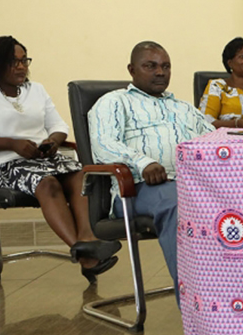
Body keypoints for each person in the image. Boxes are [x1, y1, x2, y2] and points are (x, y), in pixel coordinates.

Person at [0, 36, 120, 282]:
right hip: (2, 165)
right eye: (13, 62)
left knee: (82, 176)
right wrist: (12, 144)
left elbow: (59, 126)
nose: (21, 67)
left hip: (43, 159)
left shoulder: (36, 90)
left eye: (24, 61)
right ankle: (83, 253)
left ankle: (87, 240)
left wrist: (52, 141)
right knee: (48, 183)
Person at [88, 41, 214, 297]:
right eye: (151, 66)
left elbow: (213, 139)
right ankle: (197, 306)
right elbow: (103, 144)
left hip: (190, 185)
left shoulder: (182, 107)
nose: (160, 72)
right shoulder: (114, 102)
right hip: (139, 189)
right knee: (180, 206)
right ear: (132, 69)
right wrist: (143, 162)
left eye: (166, 66)